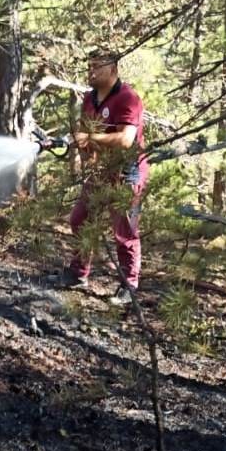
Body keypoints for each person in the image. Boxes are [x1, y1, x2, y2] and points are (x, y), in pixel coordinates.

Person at [63, 48, 149, 305]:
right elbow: (83, 134)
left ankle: (128, 285)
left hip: (127, 172)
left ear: (113, 69)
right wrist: (83, 153)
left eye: (97, 66)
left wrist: (89, 139)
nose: (91, 70)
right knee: (80, 218)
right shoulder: (89, 99)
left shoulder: (127, 98)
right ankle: (79, 273)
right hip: (101, 172)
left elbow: (125, 139)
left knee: (124, 231)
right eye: (89, 65)